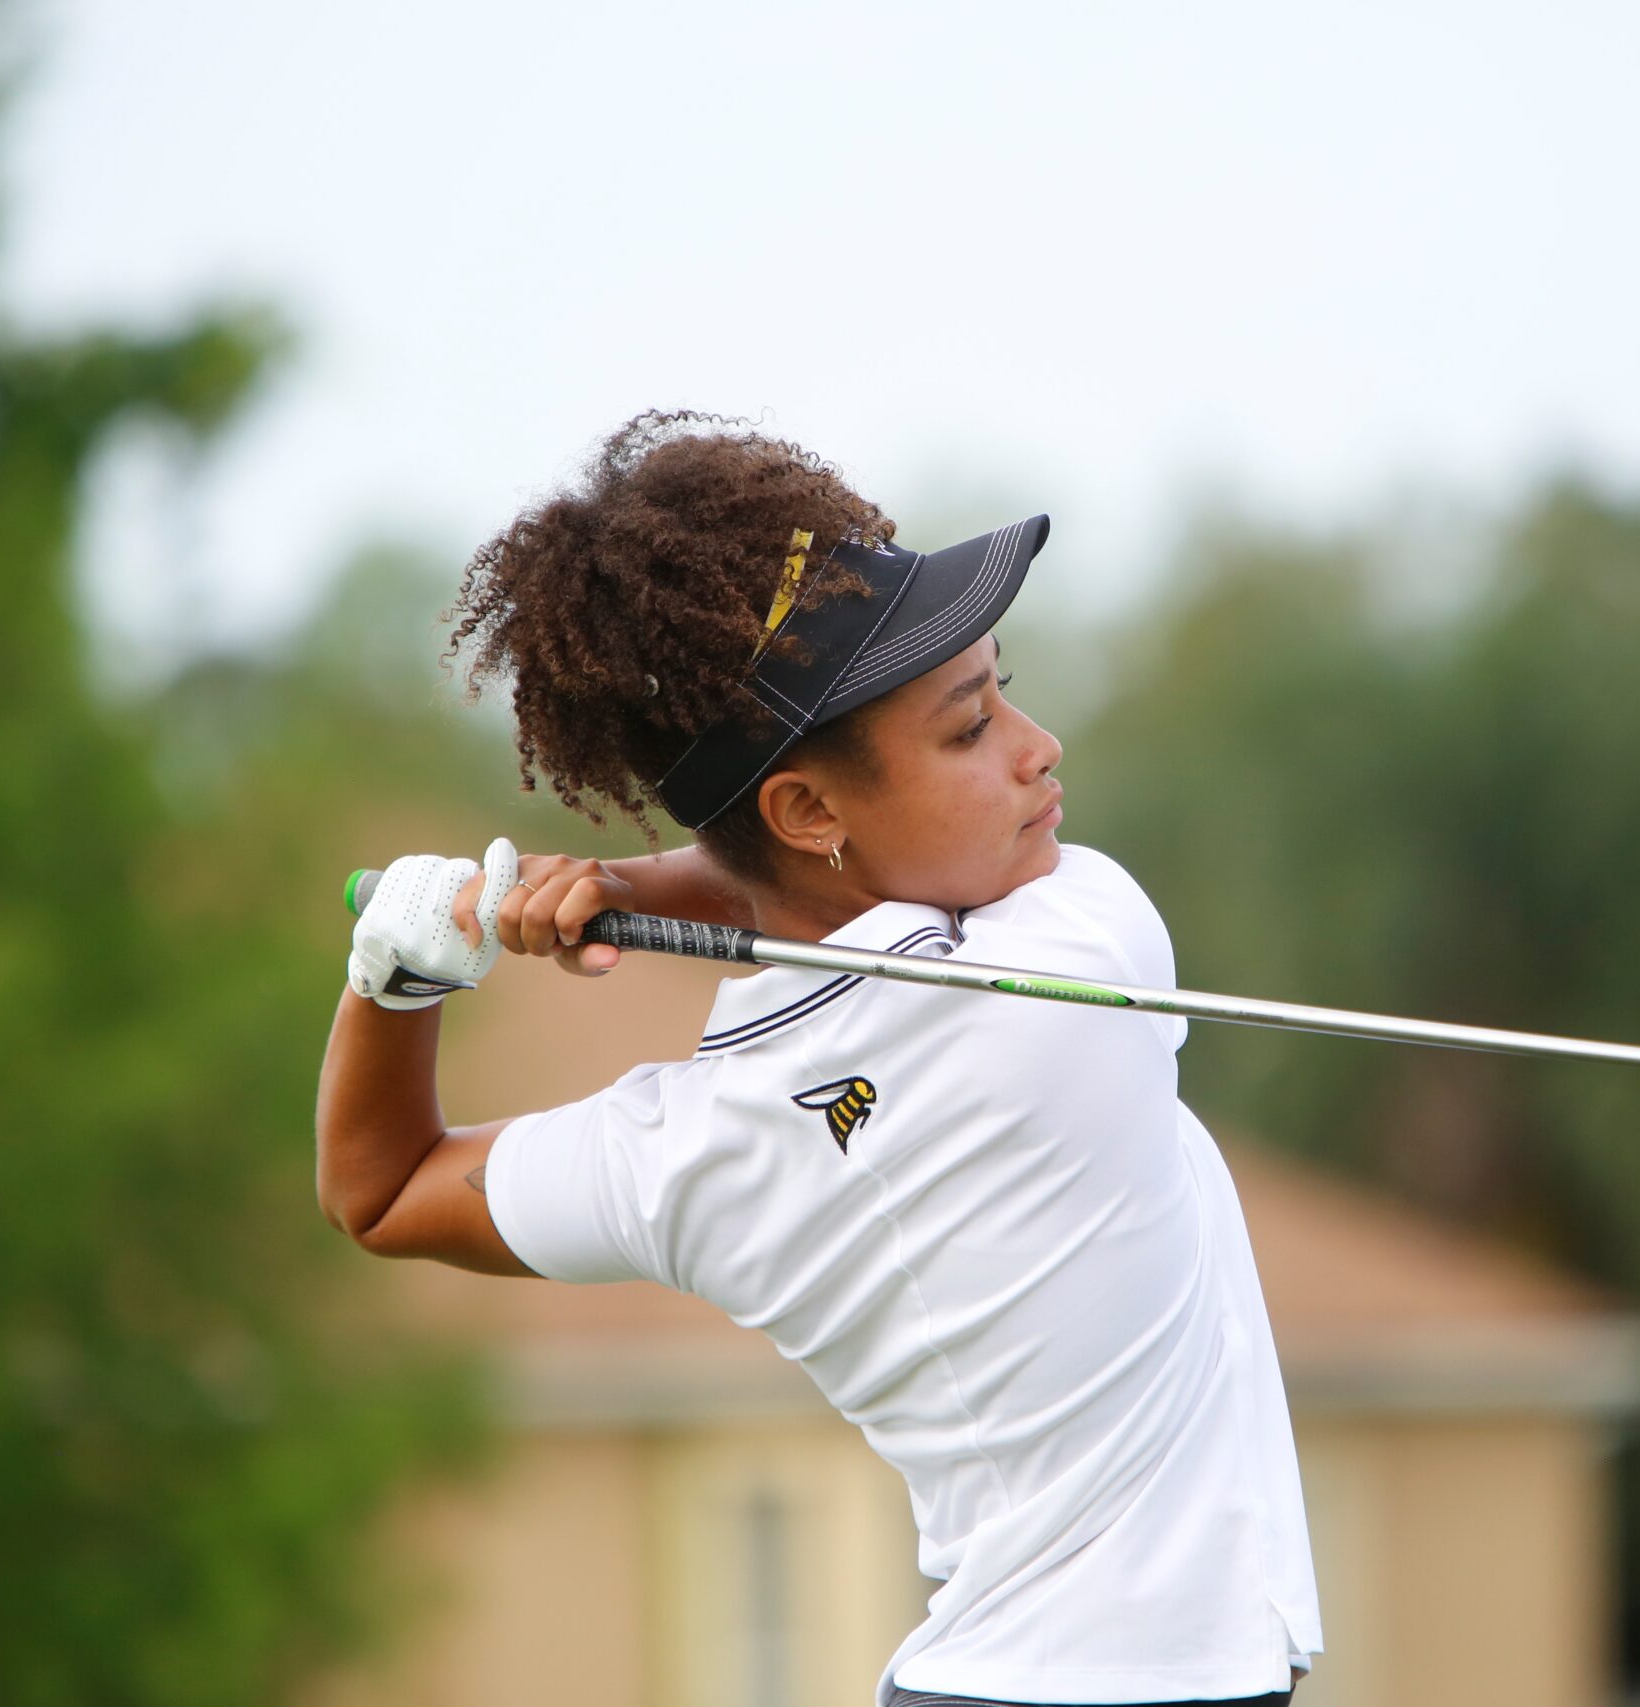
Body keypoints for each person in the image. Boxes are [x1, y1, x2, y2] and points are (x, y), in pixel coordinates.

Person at [314, 412, 1321, 1707]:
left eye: (1003, 693)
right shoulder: (1078, 958)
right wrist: (623, 883)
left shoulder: (690, 1144)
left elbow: (380, 1189)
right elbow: (824, 902)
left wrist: (400, 974)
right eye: (971, 727)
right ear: (805, 810)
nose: (1037, 746)